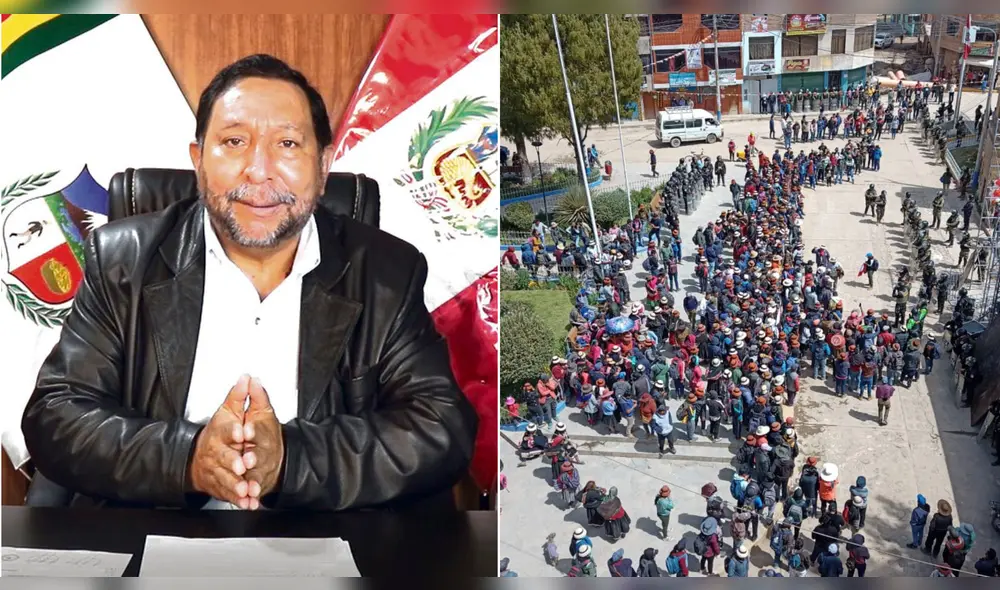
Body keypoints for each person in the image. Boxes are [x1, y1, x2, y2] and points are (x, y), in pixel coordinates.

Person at [19, 54, 477, 511]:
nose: (259, 171)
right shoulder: (122, 261)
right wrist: (189, 458)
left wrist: (291, 460)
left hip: (321, 541)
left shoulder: (385, 272)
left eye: (288, 145)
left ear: (322, 168)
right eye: (234, 141)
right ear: (198, 160)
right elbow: (56, 415)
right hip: (156, 534)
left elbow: (439, 428)